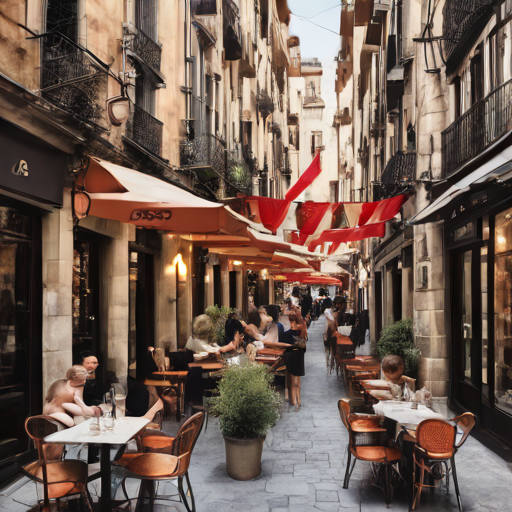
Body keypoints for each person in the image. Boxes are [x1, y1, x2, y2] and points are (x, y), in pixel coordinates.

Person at [281, 314, 307, 412]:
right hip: (299, 354)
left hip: (290, 355)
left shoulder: (287, 332)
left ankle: (295, 401)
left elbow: (283, 344)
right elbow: (304, 343)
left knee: (292, 381)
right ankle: (298, 401)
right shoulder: (301, 331)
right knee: (297, 381)